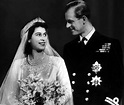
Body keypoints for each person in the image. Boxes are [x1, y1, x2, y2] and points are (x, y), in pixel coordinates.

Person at [0, 17, 73, 105]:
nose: (43, 38)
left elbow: (67, 92)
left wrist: (51, 103)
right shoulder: (18, 65)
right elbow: (9, 96)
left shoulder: (58, 62)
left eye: (44, 34)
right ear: (29, 39)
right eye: (38, 34)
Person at [63, 0, 124, 105]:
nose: (67, 26)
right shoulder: (69, 48)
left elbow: (117, 83)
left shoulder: (110, 44)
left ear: (83, 19)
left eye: (70, 21)